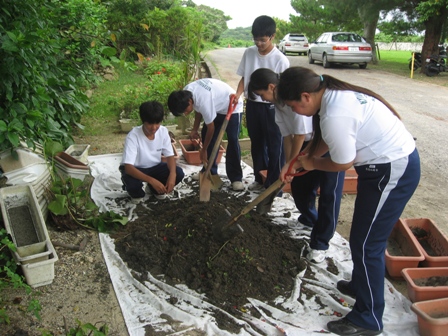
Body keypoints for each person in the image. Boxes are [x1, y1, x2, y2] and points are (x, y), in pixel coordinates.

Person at [277, 66, 421, 335]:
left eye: (293, 105)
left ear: (306, 96)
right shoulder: (332, 95)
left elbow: (342, 162)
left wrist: (310, 162)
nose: (294, 111)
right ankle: (360, 284)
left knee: (368, 244)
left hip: (392, 169)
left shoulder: (335, 113)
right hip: (381, 167)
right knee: (362, 236)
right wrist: (297, 162)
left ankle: (369, 318)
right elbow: (323, 144)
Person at [248, 68, 345, 264]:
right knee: (301, 189)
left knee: (329, 193)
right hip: (304, 148)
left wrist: (294, 163)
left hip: (326, 144)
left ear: (272, 87)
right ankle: (310, 218)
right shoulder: (277, 106)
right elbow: (288, 137)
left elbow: (300, 134)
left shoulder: (294, 100)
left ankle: (321, 242)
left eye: (262, 95)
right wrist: (287, 164)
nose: (263, 99)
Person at [234, 15, 289, 192]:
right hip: (252, 104)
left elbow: (283, 89)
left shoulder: (280, 60)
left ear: (272, 36)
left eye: (263, 40)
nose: (259, 43)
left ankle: (274, 184)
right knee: (257, 143)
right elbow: (245, 77)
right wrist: (238, 94)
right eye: (256, 39)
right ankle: (259, 178)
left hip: (272, 107)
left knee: (275, 145)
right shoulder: (249, 53)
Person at [168, 78, 245, 191]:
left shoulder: (203, 100)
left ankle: (236, 178)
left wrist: (203, 150)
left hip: (232, 106)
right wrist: (194, 129)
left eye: (184, 111)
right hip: (216, 106)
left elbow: (211, 127)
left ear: (189, 102)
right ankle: (208, 171)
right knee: (206, 136)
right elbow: (198, 109)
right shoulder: (186, 93)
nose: (185, 113)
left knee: (233, 140)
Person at [119, 101, 185, 203]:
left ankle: (154, 189)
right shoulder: (133, 136)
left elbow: (170, 156)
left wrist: (172, 175)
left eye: (157, 123)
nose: (154, 128)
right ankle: (136, 190)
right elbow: (128, 168)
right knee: (136, 194)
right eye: (150, 123)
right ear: (143, 120)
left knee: (178, 173)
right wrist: (151, 180)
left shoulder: (163, 131)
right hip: (136, 168)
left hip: (155, 167)